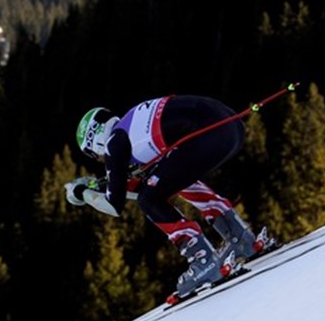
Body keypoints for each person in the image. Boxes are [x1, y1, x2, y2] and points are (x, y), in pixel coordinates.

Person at [65, 95, 268, 297]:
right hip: (231, 128)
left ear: (96, 140)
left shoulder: (113, 143)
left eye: (93, 155)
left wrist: (82, 192)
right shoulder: (129, 125)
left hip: (208, 135)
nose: (100, 160)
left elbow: (114, 205)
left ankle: (204, 261)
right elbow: (159, 179)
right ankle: (239, 237)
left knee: (149, 199)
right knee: (170, 182)